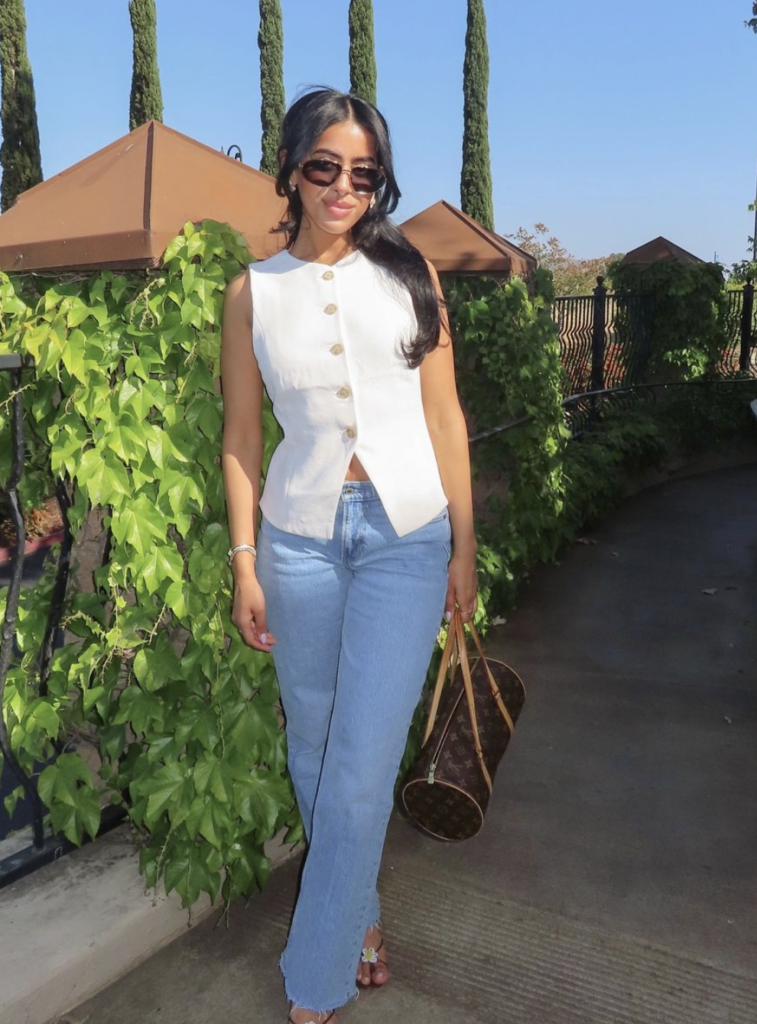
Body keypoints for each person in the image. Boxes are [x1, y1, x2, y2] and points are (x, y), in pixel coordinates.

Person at [220, 87, 477, 1024]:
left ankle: (313, 980)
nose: (342, 186)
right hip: (297, 541)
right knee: (315, 745)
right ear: (291, 168)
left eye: (362, 172)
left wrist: (463, 547)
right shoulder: (253, 290)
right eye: (324, 166)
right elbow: (242, 436)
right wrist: (246, 562)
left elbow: (446, 417)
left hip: (407, 538)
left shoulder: (412, 275)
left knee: (362, 765)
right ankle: (360, 919)